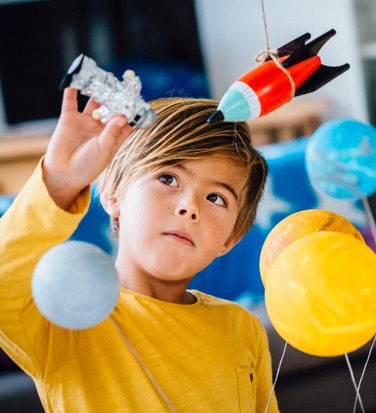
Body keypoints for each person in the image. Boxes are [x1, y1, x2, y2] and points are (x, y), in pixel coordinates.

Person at [0, 88, 280, 412]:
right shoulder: (68, 321)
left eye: (216, 198)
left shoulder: (244, 329)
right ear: (113, 193)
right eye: (168, 178)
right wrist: (60, 183)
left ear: (231, 239)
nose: (189, 207)